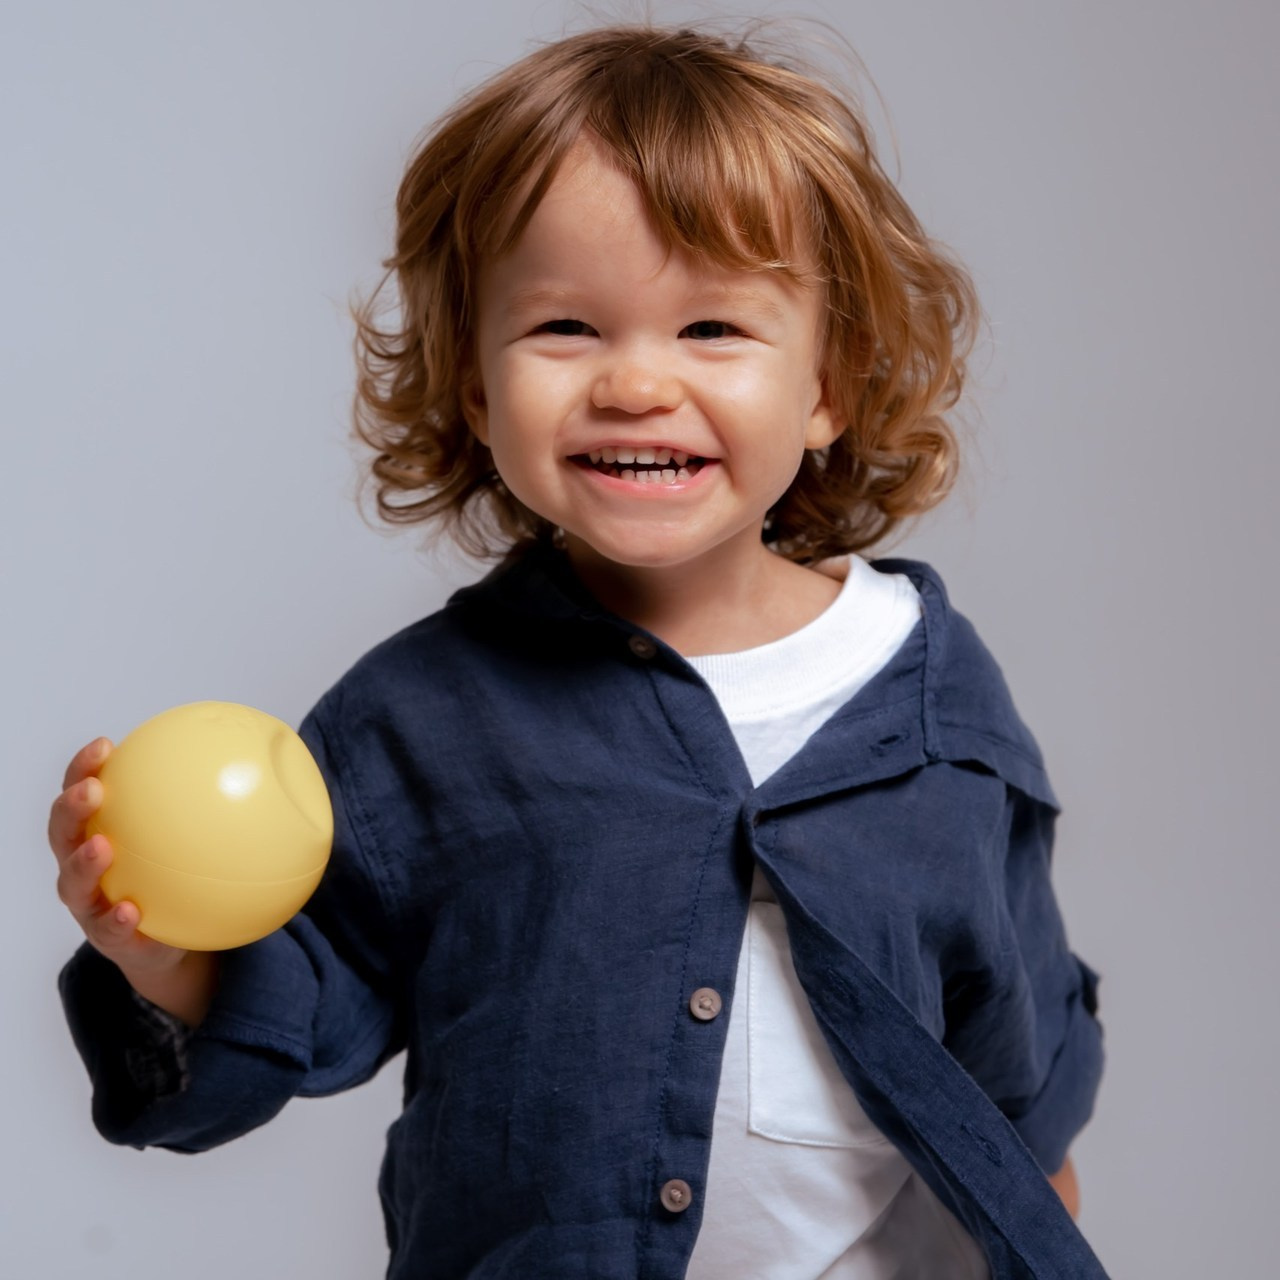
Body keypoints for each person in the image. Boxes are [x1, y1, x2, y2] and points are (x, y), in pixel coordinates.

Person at [49, 23, 1106, 1280]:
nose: (635, 383)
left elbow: (1011, 1006)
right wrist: (164, 955)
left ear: (828, 381)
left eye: (711, 326)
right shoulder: (420, 717)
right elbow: (293, 997)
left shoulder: (926, 690)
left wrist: (1039, 1201)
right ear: (475, 387)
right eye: (564, 326)